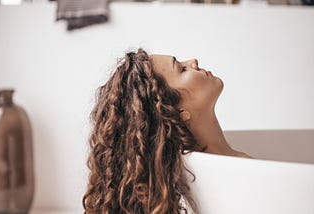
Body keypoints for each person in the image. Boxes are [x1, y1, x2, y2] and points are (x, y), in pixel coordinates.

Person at [82, 48, 252, 214]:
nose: (194, 61)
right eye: (182, 69)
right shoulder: (211, 181)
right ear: (177, 112)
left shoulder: (233, 165)